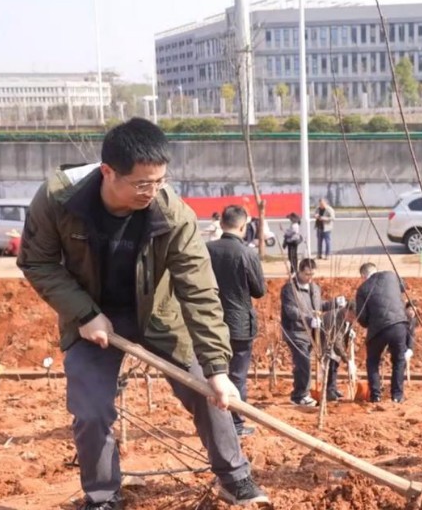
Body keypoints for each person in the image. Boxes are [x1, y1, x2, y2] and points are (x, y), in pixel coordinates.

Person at [17, 118, 269, 508]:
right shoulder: (59, 199)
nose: (152, 192)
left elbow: (199, 290)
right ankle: (103, 497)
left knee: (206, 389)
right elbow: (37, 261)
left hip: (158, 313)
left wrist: (217, 367)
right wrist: (83, 314)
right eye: (141, 184)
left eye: (160, 181)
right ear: (108, 172)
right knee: (91, 410)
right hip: (91, 316)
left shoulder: (172, 214)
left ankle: (235, 478)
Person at [206, 205, 266, 437]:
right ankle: (236, 424)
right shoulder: (247, 253)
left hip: (210, 323)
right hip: (239, 324)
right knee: (237, 376)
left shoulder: (206, 249)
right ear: (243, 227)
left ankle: (213, 423)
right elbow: (259, 290)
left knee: (213, 373)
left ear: (221, 224)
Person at [280, 258, 332, 407]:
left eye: (312, 274)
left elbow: (318, 306)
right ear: (299, 271)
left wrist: (334, 304)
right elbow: (290, 311)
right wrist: (309, 320)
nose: (310, 277)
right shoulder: (290, 289)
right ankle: (301, 395)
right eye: (307, 274)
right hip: (295, 332)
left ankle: (299, 393)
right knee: (304, 362)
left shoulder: (314, 288)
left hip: (311, 332)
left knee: (302, 364)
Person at [355, 262, 409, 403]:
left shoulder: (362, 289)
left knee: (373, 361)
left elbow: (362, 317)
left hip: (378, 329)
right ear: (375, 270)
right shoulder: (391, 276)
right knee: (399, 360)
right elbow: (404, 287)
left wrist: (369, 323)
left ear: (363, 276)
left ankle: (375, 396)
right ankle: (397, 396)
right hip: (399, 324)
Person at [320, 299, 354, 401]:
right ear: (346, 310)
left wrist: (350, 332)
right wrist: (346, 359)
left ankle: (333, 388)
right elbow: (336, 342)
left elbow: (343, 335)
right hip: (326, 341)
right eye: (351, 317)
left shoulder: (347, 318)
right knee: (330, 365)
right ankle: (328, 391)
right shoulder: (335, 318)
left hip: (335, 343)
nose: (352, 320)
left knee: (335, 365)